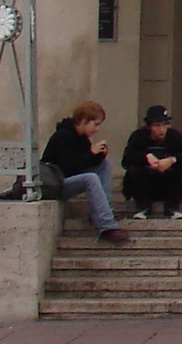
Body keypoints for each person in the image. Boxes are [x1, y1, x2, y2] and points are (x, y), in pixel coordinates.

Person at [40, 101, 132, 247]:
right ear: (83, 121)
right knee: (90, 178)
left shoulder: (82, 137)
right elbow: (68, 168)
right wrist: (91, 153)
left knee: (105, 164)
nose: (97, 129)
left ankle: (105, 210)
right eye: (95, 124)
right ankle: (106, 225)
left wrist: (99, 155)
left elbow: (85, 163)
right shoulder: (63, 136)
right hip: (55, 183)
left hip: (66, 179)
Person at [120, 105, 182, 221]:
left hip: (168, 183)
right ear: (149, 126)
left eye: (165, 125)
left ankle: (172, 207)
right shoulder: (138, 137)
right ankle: (143, 207)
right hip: (146, 183)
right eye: (157, 125)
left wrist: (172, 160)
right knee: (133, 169)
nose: (161, 130)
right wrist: (145, 158)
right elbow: (127, 159)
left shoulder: (175, 136)